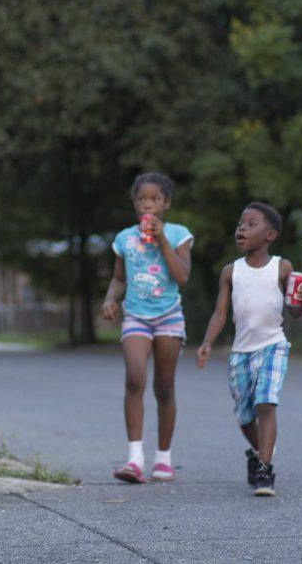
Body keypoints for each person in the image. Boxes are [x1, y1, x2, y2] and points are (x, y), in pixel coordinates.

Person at [197, 202, 302, 497]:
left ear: (270, 234)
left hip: (273, 345)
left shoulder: (281, 267)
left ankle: (265, 470)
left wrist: (301, 301)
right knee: (245, 416)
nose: (241, 229)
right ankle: (259, 452)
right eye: (240, 224)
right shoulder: (230, 272)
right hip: (240, 352)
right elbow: (221, 313)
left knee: (265, 404)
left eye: (250, 224)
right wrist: (208, 342)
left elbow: (294, 311)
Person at [101, 172, 193, 483]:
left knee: (164, 387)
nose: (148, 205)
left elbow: (182, 277)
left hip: (168, 316)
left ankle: (163, 459)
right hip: (136, 316)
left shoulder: (179, 234)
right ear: (134, 203)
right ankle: (135, 459)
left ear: (165, 203)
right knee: (134, 378)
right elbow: (118, 278)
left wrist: (163, 238)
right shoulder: (125, 238)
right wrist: (111, 298)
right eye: (142, 199)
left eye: (155, 199)